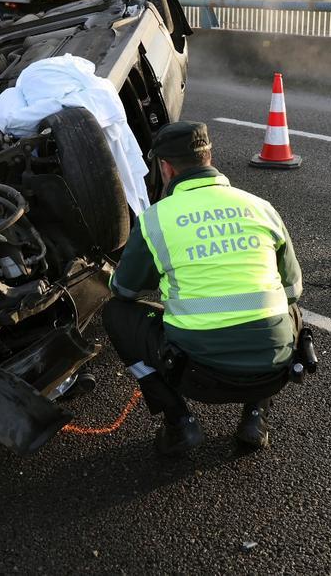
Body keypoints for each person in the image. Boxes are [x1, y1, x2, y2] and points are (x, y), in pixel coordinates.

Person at [103, 121, 307, 456]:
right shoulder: (261, 207)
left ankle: (179, 421)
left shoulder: (156, 219)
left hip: (195, 375)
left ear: (166, 168)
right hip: (272, 370)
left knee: (116, 314)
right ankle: (256, 418)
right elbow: (293, 290)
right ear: (209, 156)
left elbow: (124, 291)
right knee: (286, 309)